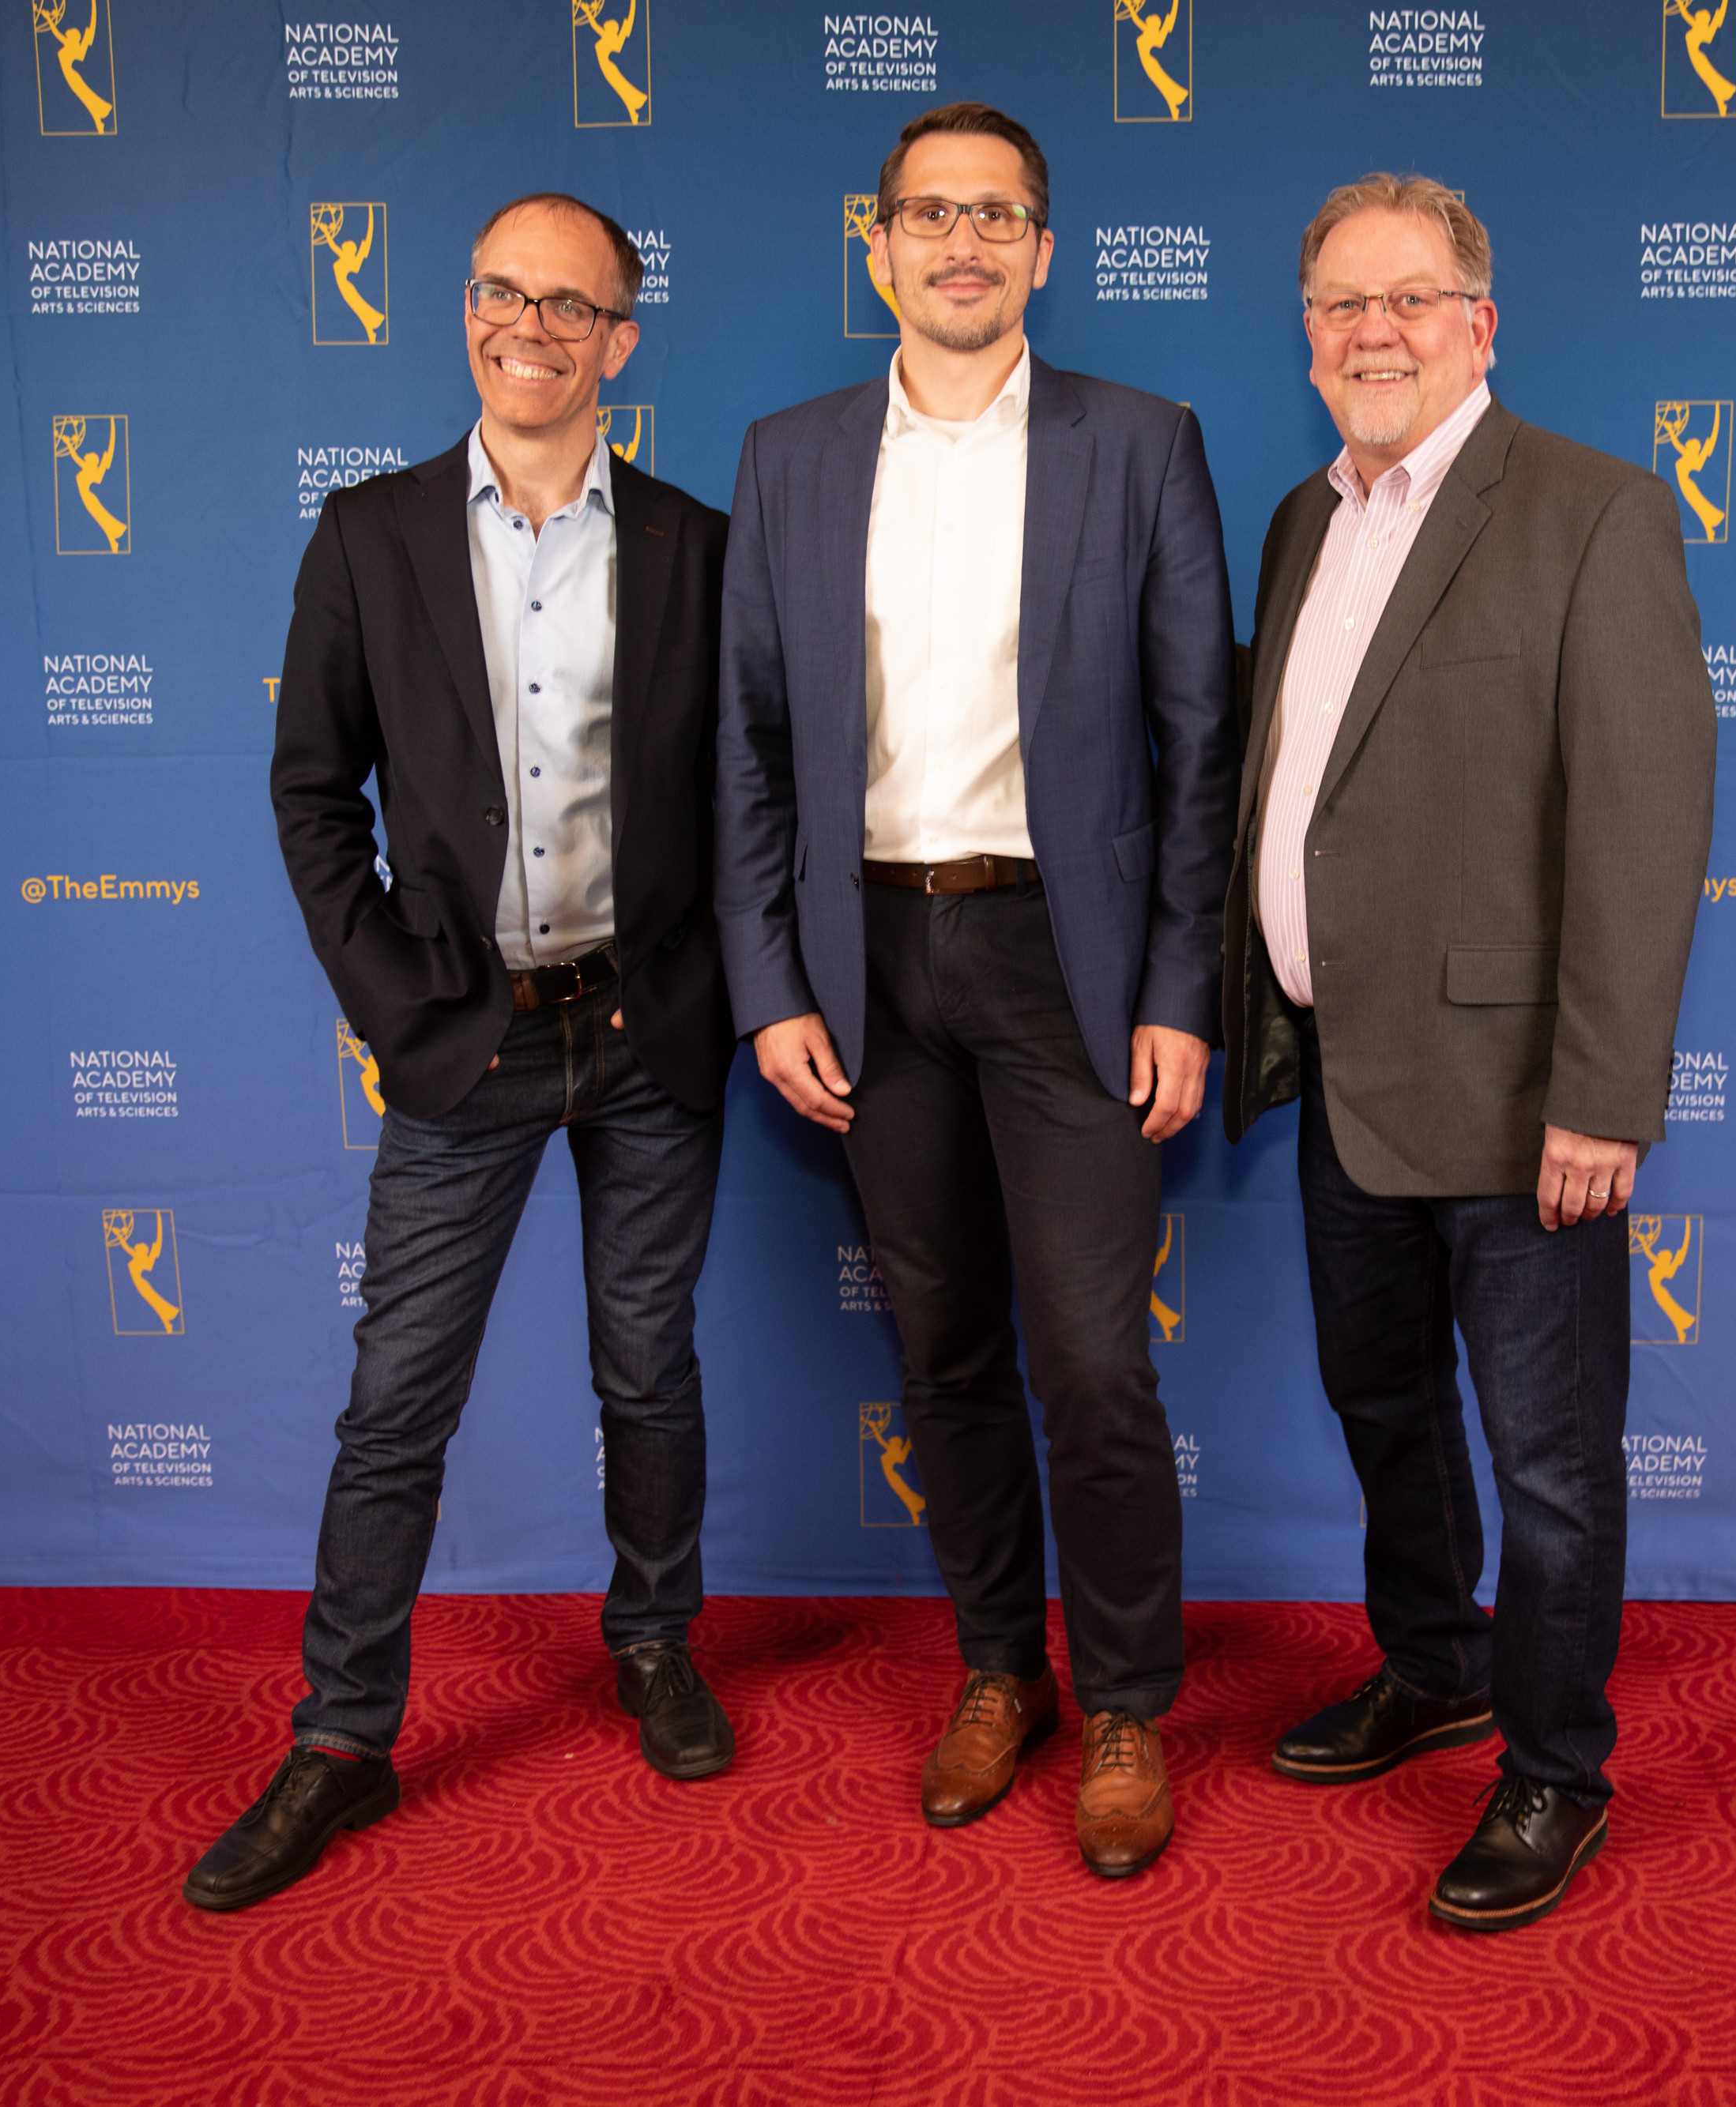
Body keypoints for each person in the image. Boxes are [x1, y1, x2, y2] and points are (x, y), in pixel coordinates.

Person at [188, 192, 734, 1913]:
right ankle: (342, 1734)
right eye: (503, 292)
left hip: (647, 1031)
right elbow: (309, 789)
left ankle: (652, 1638)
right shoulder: (371, 533)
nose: (530, 328)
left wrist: (721, 985)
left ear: (618, 341)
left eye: (569, 305)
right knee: (396, 1402)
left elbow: (748, 798)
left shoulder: (695, 545)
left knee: (646, 1368)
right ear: (468, 311)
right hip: (464, 1035)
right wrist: (391, 992)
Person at [715, 103, 1236, 1879]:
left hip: (1065, 964)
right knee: (942, 1352)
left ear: (1042, 250)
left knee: (1090, 1359)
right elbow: (748, 748)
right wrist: (771, 981)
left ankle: (1128, 1704)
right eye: (930, 213)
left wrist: (1180, 986)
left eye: (996, 215)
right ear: (877, 247)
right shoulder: (787, 457)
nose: (962, 242)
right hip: (868, 961)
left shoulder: (1140, 443)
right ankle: (1001, 1667)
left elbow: (1199, 744)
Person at [1223, 175, 1715, 1932]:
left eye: (1410, 298)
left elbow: (1643, 821)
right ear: (1307, 338)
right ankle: (1430, 1665)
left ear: (1479, 323)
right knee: (1385, 1408)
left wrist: (1603, 1093)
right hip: (1343, 1074)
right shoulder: (1304, 520)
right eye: (1341, 304)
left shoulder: (1592, 509)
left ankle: (1554, 1765)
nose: (1375, 331)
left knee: (1550, 1464)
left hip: (1523, 1105)